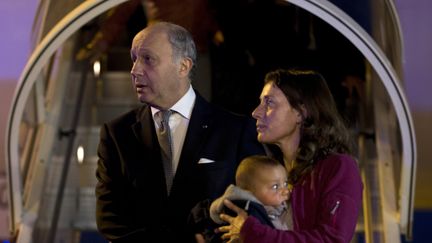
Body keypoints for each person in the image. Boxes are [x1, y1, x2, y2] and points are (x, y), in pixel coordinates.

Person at [95, 22, 264, 243]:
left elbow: (252, 206)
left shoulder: (235, 130)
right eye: (134, 58)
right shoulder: (116, 134)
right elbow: (110, 219)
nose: (134, 70)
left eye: (147, 59)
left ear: (183, 66)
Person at [217, 69, 363, 243]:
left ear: (301, 112)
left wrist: (252, 232)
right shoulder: (266, 168)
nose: (256, 112)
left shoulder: (339, 167)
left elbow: (332, 239)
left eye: (269, 103)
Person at [210, 155, 291, 231]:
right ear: (249, 193)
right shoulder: (249, 214)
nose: (286, 191)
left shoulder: (278, 207)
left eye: (285, 183)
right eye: (275, 187)